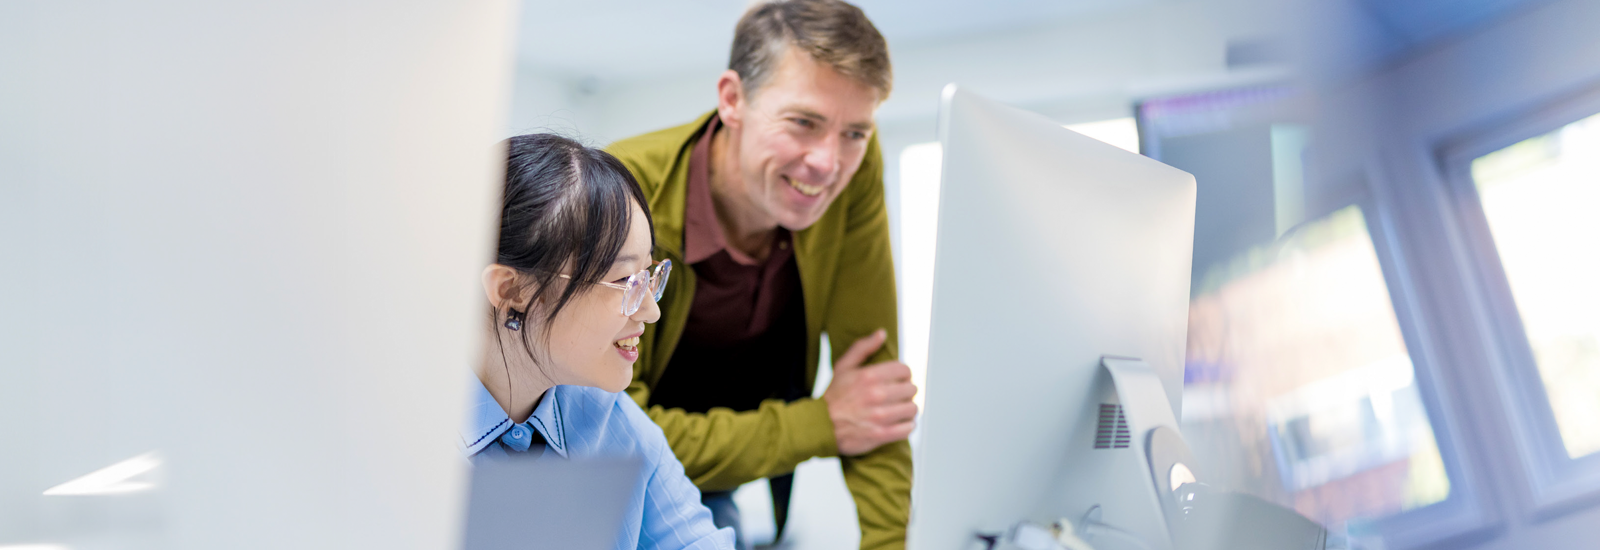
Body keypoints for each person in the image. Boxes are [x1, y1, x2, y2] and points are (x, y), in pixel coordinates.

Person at [606, 1, 914, 548]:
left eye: (854, 133)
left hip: (723, 471)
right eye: (803, 122)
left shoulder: (853, 168)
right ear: (732, 100)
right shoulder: (623, 193)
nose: (828, 162)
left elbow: (875, 397)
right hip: (611, 480)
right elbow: (612, 434)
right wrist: (818, 424)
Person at [462, 133, 735, 550]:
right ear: (512, 291)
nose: (650, 310)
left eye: (649, 276)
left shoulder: (611, 421)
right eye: (625, 281)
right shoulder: (400, 443)